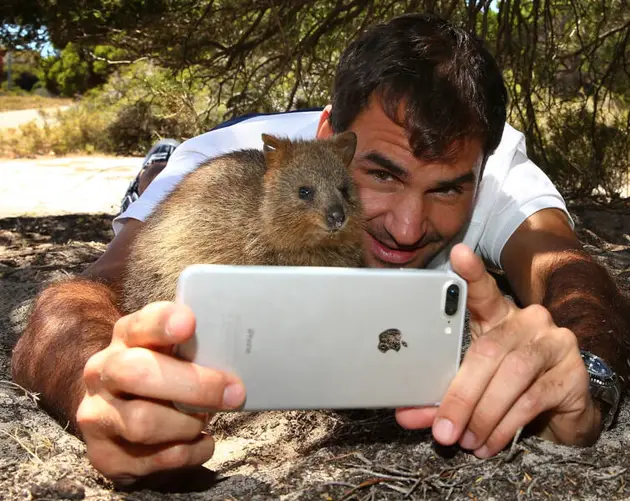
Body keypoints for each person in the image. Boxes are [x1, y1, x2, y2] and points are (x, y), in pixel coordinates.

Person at [11, 13, 629, 487]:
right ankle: (155, 164)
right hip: (204, 166)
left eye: (445, 189)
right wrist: (96, 384)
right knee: (160, 182)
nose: (408, 228)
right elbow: (79, 295)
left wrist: (586, 379)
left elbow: (570, 273)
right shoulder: (240, 167)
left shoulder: (490, 169)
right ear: (331, 135)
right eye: (381, 174)